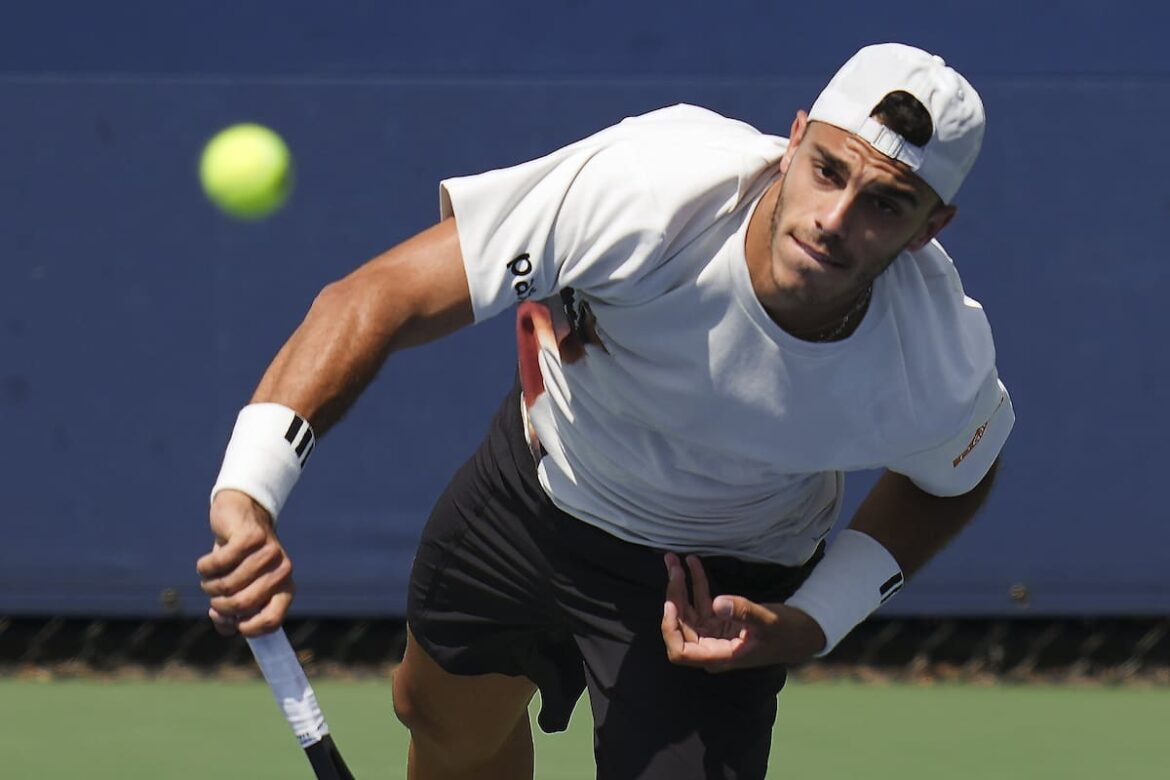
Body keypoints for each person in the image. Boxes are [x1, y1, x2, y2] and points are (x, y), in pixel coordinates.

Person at [197, 42, 1015, 779]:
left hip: (716, 580)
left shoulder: (935, 359)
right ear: (794, 141)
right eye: (829, 170)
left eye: (886, 204)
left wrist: (813, 620)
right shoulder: (650, 188)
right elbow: (382, 297)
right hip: (538, 493)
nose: (834, 221)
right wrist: (250, 489)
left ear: (929, 228)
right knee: (439, 717)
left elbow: (956, 479)